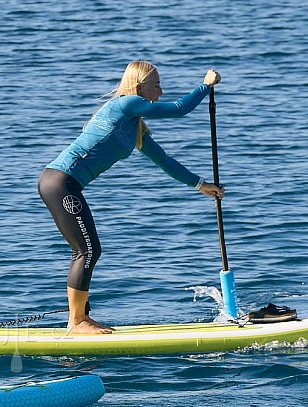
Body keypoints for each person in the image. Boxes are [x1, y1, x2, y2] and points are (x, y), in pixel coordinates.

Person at [37, 61, 223, 335]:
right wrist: (205, 86)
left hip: (65, 184)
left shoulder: (133, 127)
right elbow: (178, 109)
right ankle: (76, 322)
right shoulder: (125, 104)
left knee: (88, 250)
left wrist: (200, 185)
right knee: (86, 250)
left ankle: (80, 319)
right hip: (60, 182)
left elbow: (164, 161)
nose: (160, 91)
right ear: (140, 85)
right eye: (156, 84)